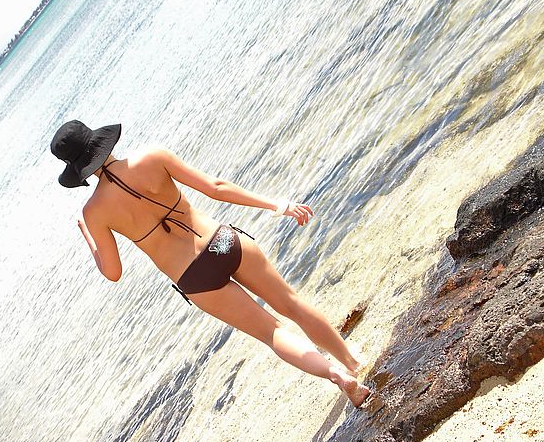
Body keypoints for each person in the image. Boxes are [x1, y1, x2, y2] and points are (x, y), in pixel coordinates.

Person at [50, 120, 371, 407]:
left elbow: (113, 272)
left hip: (195, 278)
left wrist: (89, 237)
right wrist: (277, 204)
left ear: (76, 169)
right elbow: (216, 188)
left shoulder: (93, 213)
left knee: (272, 332)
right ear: (99, 140)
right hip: (223, 241)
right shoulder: (153, 156)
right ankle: (354, 364)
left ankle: (337, 375)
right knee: (292, 304)